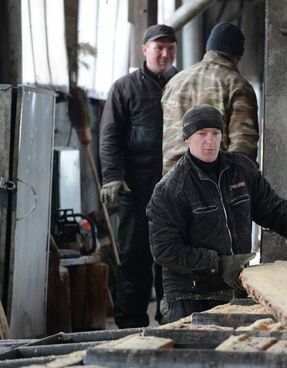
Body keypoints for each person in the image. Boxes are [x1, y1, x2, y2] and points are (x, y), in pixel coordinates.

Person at [147, 105, 287, 323]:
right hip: (189, 295)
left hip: (235, 288)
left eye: (215, 133)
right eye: (201, 134)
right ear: (187, 139)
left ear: (223, 136)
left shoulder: (241, 170)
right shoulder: (171, 189)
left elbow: (277, 213)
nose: (209, 141)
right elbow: (164, 250)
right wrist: (217, 264)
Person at [99, 24, 177, 328]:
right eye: (159, 47)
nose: (165, 53)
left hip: (171, 186)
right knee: (134, 256)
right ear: (144, 50)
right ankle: (129, 325)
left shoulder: (179, 84)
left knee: (169, 255)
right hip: (136, 185)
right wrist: (112, 177)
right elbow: (109, 136)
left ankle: (168, 319)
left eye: (170, 48)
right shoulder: (124, 88)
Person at [161, 21, 258, 173]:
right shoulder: (236, 84)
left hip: (172, 182)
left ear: (209, 49)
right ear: (238, 56)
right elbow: (244, 144)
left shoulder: (175, 82)